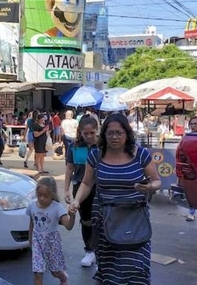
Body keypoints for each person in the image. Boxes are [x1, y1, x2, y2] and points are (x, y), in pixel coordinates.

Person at [69, 113, 162, 284]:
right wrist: (77, 200)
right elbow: (87, 183)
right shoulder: (96, 155)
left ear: (127, 133)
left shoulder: (141, 154)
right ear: (103, 135)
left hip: (135, 221)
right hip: (106, 221)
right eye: (110, 133)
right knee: (111, 272)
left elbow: (157, 181)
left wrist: (149, 187)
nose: (114, 137)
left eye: (119, 133)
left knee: (136, 267)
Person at [64, 115, 99, 268]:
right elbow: (69, 168)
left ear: (97, 131)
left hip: (100, 186)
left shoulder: (104, 146)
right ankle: (89, 250)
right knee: (86, 220)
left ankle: (101, 253)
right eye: (86, 133)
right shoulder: (74, 146)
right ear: (80, 132)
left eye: (92, 133)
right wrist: (66, 189)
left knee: (102, 220)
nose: (90, 136)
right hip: (81, 187)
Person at [26, 176, 75, 285]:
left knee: (55, 272)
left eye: (46, 196)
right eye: (39, 195)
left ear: (52, 195)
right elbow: (32, 224)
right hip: (37, 243)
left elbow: (68, 226)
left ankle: (63, 278)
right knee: (37, 272)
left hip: (52, 244)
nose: (42, 198)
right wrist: (31, 242)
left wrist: (72, 216)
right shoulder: (32, 206)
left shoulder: (57, 208)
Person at [185, 116, 197, 222]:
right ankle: (191, 213)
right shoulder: (187, 137)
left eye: (195, 124)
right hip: (190, 168)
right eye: (191, 124)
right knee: (192, 191)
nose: (193, 126)